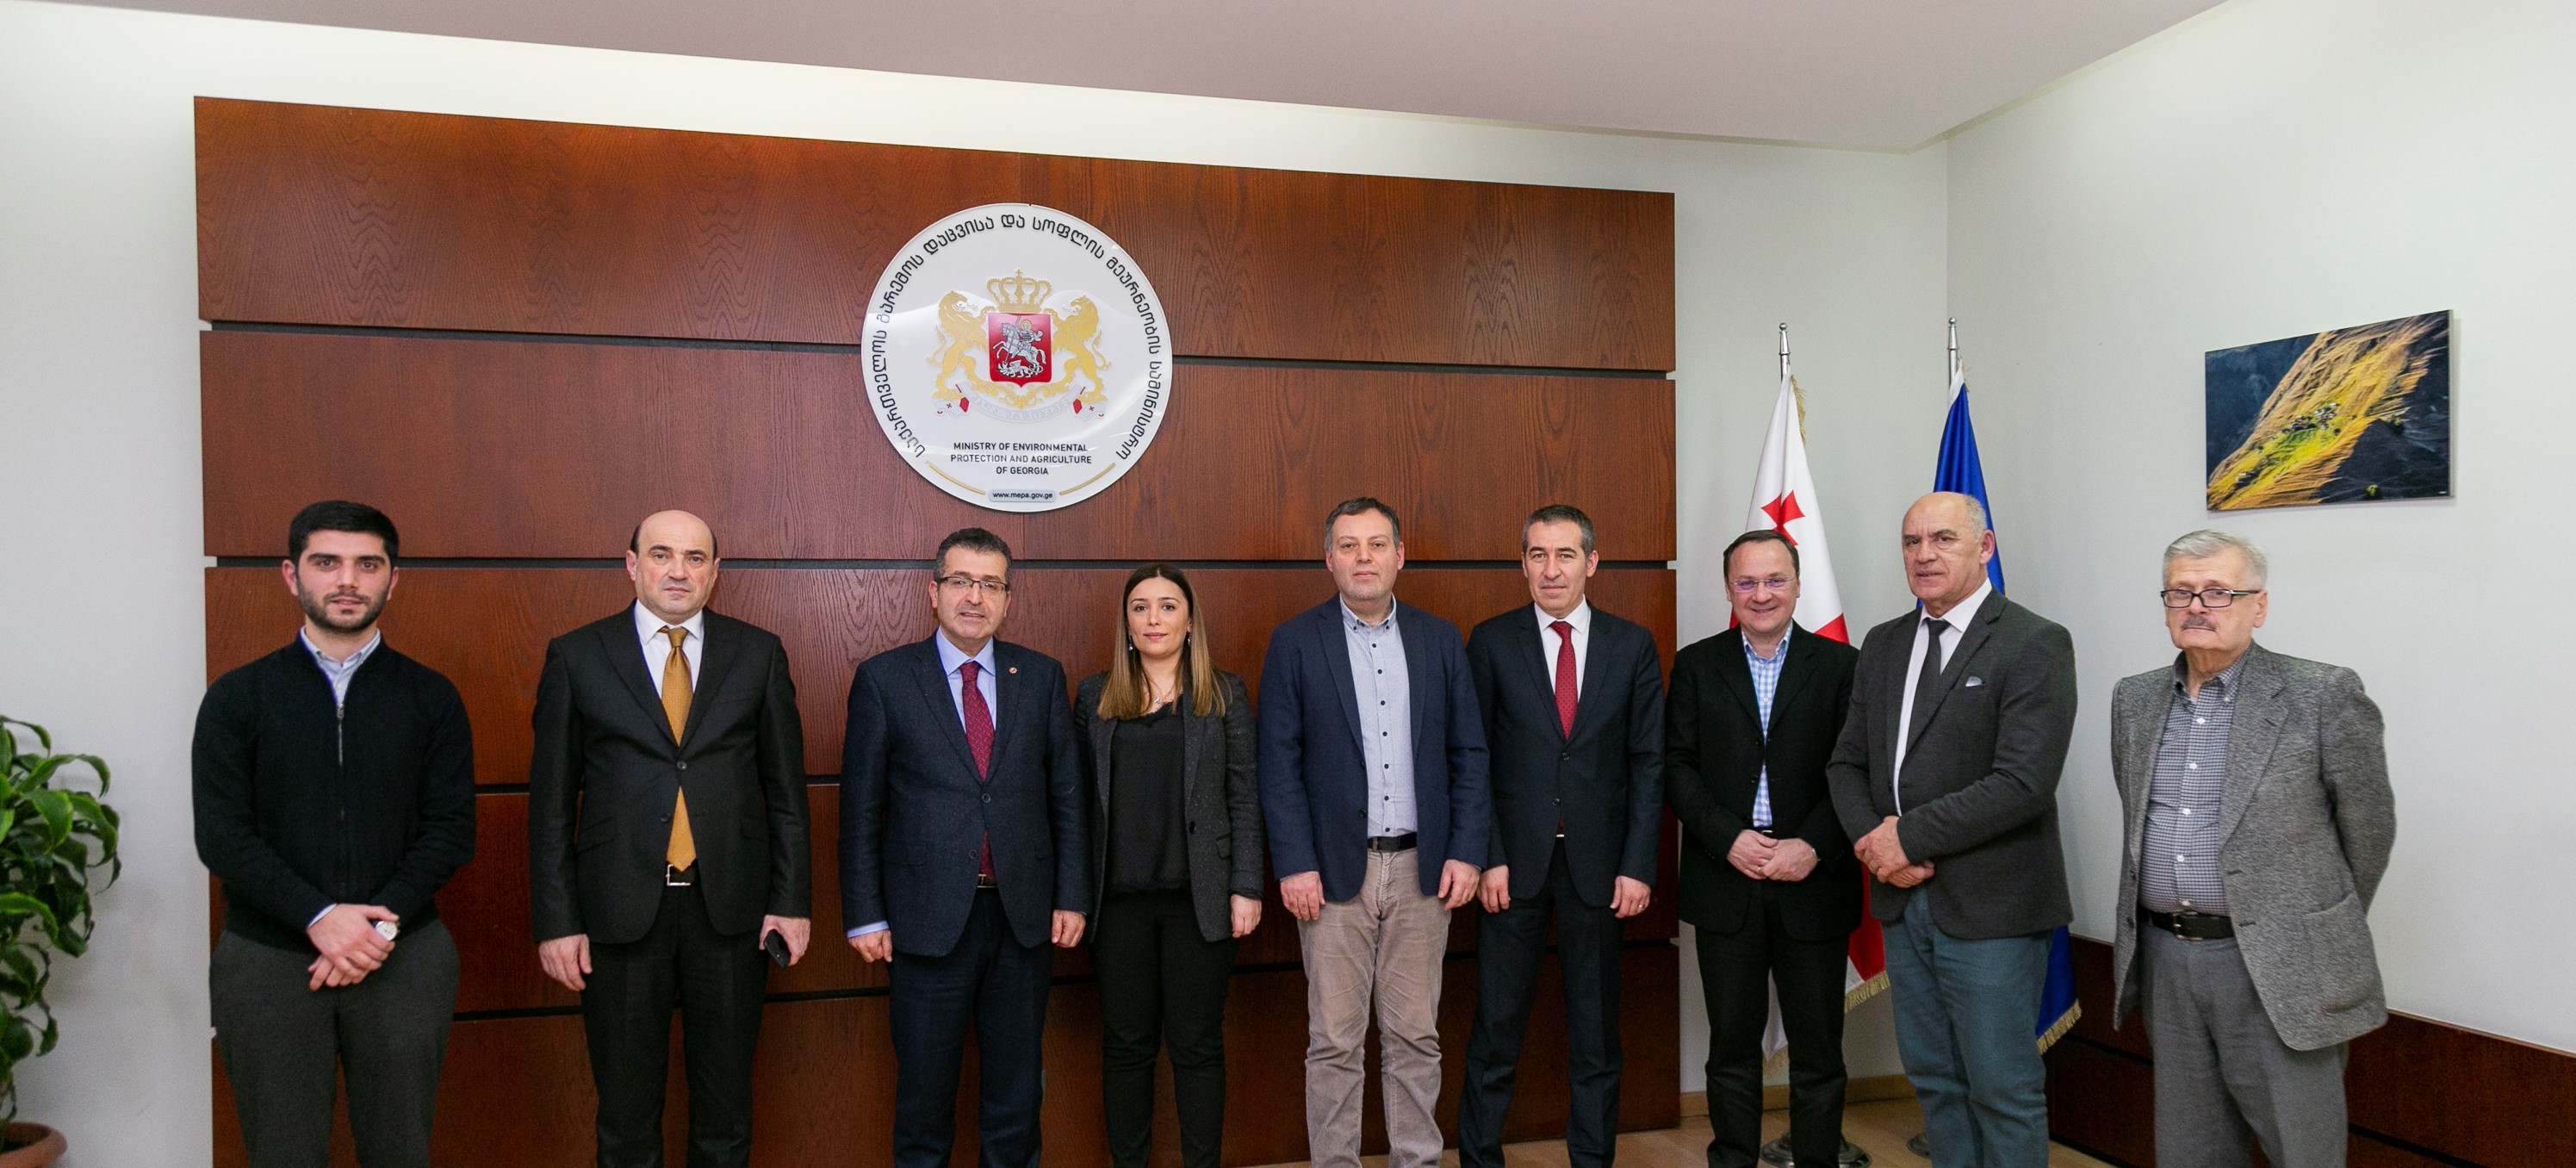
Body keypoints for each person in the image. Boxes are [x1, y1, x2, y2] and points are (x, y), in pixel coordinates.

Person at [527, 509, 813, 1168]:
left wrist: (790, 902)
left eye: (694, 558)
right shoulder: (577, 655)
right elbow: (549, 808)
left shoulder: (758, 653)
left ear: (716, 572)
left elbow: (787, 797)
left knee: (726, 1114)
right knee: (626, 1118)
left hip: (730, 914)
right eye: (660, 555)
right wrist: (557, 922)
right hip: (618, 914)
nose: (677, 571)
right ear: (632, 565)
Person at [194, 500, 475, 1168]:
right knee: (283, 1154)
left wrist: (373, 928)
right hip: (270, 960)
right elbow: (222, 836)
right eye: (327, 562)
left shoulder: (432, 697)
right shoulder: (237, 697)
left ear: (392, 580)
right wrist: (320, 917)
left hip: (401, 953)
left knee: (399, 1151)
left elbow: (450, 831)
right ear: (292, 575)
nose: (347, 580)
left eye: (367, 565)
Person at [2109, 531, 2394, 1168]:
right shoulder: (2133, 699)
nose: (2196, 606)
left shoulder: (2321, 694)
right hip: (2166, 960)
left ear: (2257, 606)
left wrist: (2311, 926)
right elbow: (2137, 821)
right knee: (2190, 1150)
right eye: (2180, 592)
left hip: (2277, 967)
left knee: (2302, 1150)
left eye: (2218, 592)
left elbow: (2368, 830)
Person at [1825, 491, 2076, 1168]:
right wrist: (1875, 847)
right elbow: (1845, 763)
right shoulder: (1883, 643)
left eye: (1942, 539)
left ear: (1984, 547)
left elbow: (2022, 783)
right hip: (1901, 898)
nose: (1923, 555)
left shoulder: (2033, 642)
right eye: (1911, 542)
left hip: (1992, 907)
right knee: (1934, 1080)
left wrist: (1904, 839)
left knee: (2001, 1088)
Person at [840, 527, 1089, 1168]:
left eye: (990, 584)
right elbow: (861, 810)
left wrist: (1071, 896)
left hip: (1022, 920)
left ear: (1008, 598)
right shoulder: (885, 679)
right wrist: (865, 914)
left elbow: (1066, 798)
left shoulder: (1040, 676)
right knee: (924, 1103)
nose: (974, 597)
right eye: (960, 581)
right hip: (924, 923)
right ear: (934, 592)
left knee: (1015, 1101)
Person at [1258, 496, 1490, 1168]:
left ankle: (1416, 1160)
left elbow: (1468, 752)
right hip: (1332, 874)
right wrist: (1294, 863)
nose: (1364, 557)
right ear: (1328, 558)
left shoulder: (1438, 638)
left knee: (1415, 1037)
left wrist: (1466, 851)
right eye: (1349, 545)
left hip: (1423, 870)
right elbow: (1277, 763)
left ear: (1399, 555)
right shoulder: (1295, 641)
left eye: (1377, 544)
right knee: (1333, 1041)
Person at [1456, 504, 1665, 1168]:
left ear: (1591, 563)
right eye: (1538, 555)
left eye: (1565, 555)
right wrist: (1487, 857)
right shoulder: (1491, 642)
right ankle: (1479, 1159)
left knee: (1596, 1039)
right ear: (1522, 564)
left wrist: (1637, 865)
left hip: (1600, 872)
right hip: (1510, 871)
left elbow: (1648, 764)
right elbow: (1473, 758)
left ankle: (1591, 1161)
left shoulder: (1631, 645)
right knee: (1495, 1033)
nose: (1551, 570)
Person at [1667, 529, 1860, 1168]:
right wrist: (1726, 838)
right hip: (1726, 881)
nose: (1761, 594)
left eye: (1775, 580)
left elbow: (1855, 770)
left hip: (1814, 881)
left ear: (1798, 584)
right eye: (1746, 582)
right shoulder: (1696, 665)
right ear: (1728, 589)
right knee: (1730, 1049)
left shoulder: (1843, 666)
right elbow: (1676, 766)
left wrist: (1812, 845)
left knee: (1818, 1052)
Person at [1073, 563, 1264, 1168]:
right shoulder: (1095, 696)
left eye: (1167, 606)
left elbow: (1244, 796)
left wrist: (1246, 885)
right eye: (1140, 607)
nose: (1153, 619)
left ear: (1189, 622)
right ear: (1127, 625)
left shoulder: (1223, 694)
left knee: (1197, 1046)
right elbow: (1076, 806)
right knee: (1126, 1048)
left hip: (1198, 903)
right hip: (1117, 906)